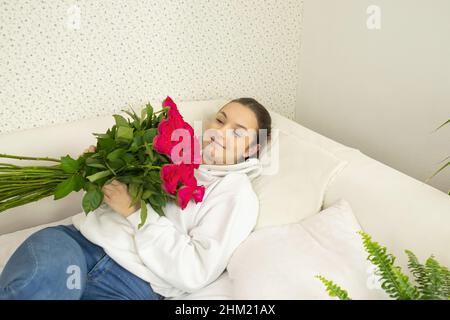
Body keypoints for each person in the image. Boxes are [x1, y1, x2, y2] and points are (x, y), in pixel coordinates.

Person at [0, 97, 272, 300]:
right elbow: (110, 199)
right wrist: (100, 169)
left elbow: (196, 271)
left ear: (254, 147)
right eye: (220, 120)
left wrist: (134, 211)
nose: (220, 132)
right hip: (78, 244)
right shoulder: (173, 151)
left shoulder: (236, 195)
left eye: (238, 132)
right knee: (35, 288)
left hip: (131, 283)